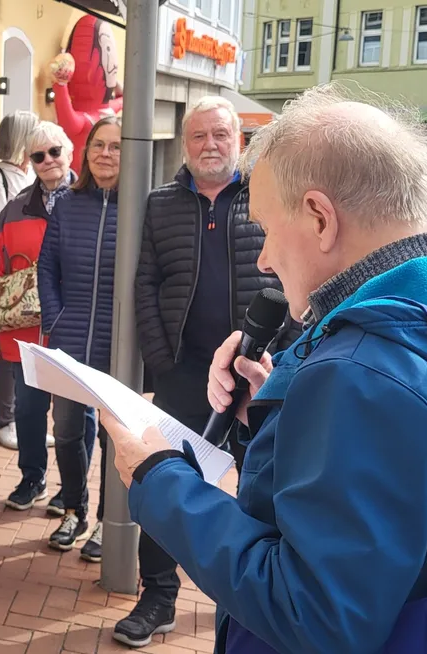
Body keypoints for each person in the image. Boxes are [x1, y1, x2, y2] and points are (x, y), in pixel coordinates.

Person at [108, 83, 427, 654]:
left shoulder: (360, 372)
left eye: (264, 227)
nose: (262, 257)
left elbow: (312, 614)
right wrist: (282, 413)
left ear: (319, 218)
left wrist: (160, 480)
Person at [121, 96, 295, 648]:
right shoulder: (161, 203)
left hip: (257, 372)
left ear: (238, 141)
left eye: (221, 135)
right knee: (161, 470)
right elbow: (145, 282)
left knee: (260, 484)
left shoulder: (266, 198)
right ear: (185, 144)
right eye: (199, 137)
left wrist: (282, 357)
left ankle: (247, 600)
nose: (210, 145)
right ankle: (157, 595)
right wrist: (161, 355)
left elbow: (293, 278)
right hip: (183, 371)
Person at [36, 115, 122, 559]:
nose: (106, 154)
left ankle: (109, 522)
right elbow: (47, 266)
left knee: (112, 437)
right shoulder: (67, 203)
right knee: (68, 430)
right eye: (98, 145)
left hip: (116, 345)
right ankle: (74, 509)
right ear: (86, 153)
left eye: (116, 146)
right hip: (68, 339)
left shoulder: (141, 207)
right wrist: (55, 317)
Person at [0, 121, 75, 511]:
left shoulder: (92, 201)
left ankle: (71, 492)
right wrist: (0, 319)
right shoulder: (15, 208)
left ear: (69, 153)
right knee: (28, 408)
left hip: (75, 327)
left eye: (55, 152)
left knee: (74, 418)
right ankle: (32, 477)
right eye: (38, 156)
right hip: (26, 332)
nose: (48, 161)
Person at [0, 110, 39, 450]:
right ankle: (7, 419)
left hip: (28, 277)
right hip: (10, 276)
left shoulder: (24, 174)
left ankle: (22, 419)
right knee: (8, 351)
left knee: (28, 350)